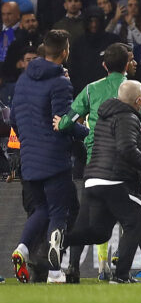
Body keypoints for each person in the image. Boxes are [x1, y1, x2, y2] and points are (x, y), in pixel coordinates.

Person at [61, 81, 141, 283]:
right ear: (139, 100)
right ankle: (121, 275)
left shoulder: (104, 116)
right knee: (135, 222)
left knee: (99, 232)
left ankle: (63, 239)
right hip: (114, 180)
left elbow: (115, 144)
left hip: (93, 178)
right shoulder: (128, 117)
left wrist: (140, 142)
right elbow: (125, 148)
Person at [10, 31, 88, 283]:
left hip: (29, 156)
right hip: (54, 157)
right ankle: (55, 273)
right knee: (59, 211)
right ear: (65, 51)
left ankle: (22, 248)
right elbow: (62, 123)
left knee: (40, 209)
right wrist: (86, 131)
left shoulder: (22, 80)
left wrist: (29, 142)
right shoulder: (60, 83)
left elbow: (14, 120)